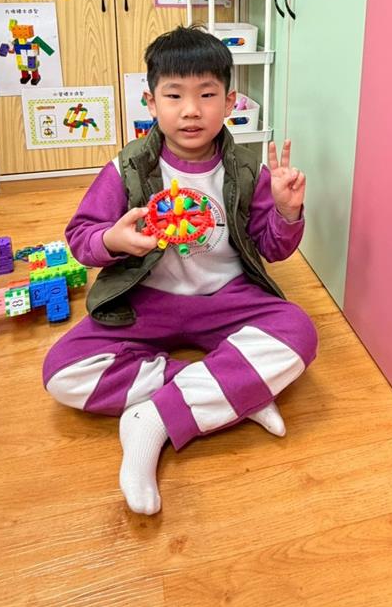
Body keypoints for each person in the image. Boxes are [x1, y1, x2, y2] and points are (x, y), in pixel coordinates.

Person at [43, 26, 317, 515]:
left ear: (229, 102)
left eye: (207, 95)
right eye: (174, 95)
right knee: (62, 371)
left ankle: (151, 419)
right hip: (147, 301)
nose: (191, 110)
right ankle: (232, 389)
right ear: (151, 102)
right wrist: (112, 240)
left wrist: (285, 210)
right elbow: (81, 236)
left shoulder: (247, 171)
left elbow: (272, 249)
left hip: (228, 299)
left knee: (299, 333)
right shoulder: (127, 169)